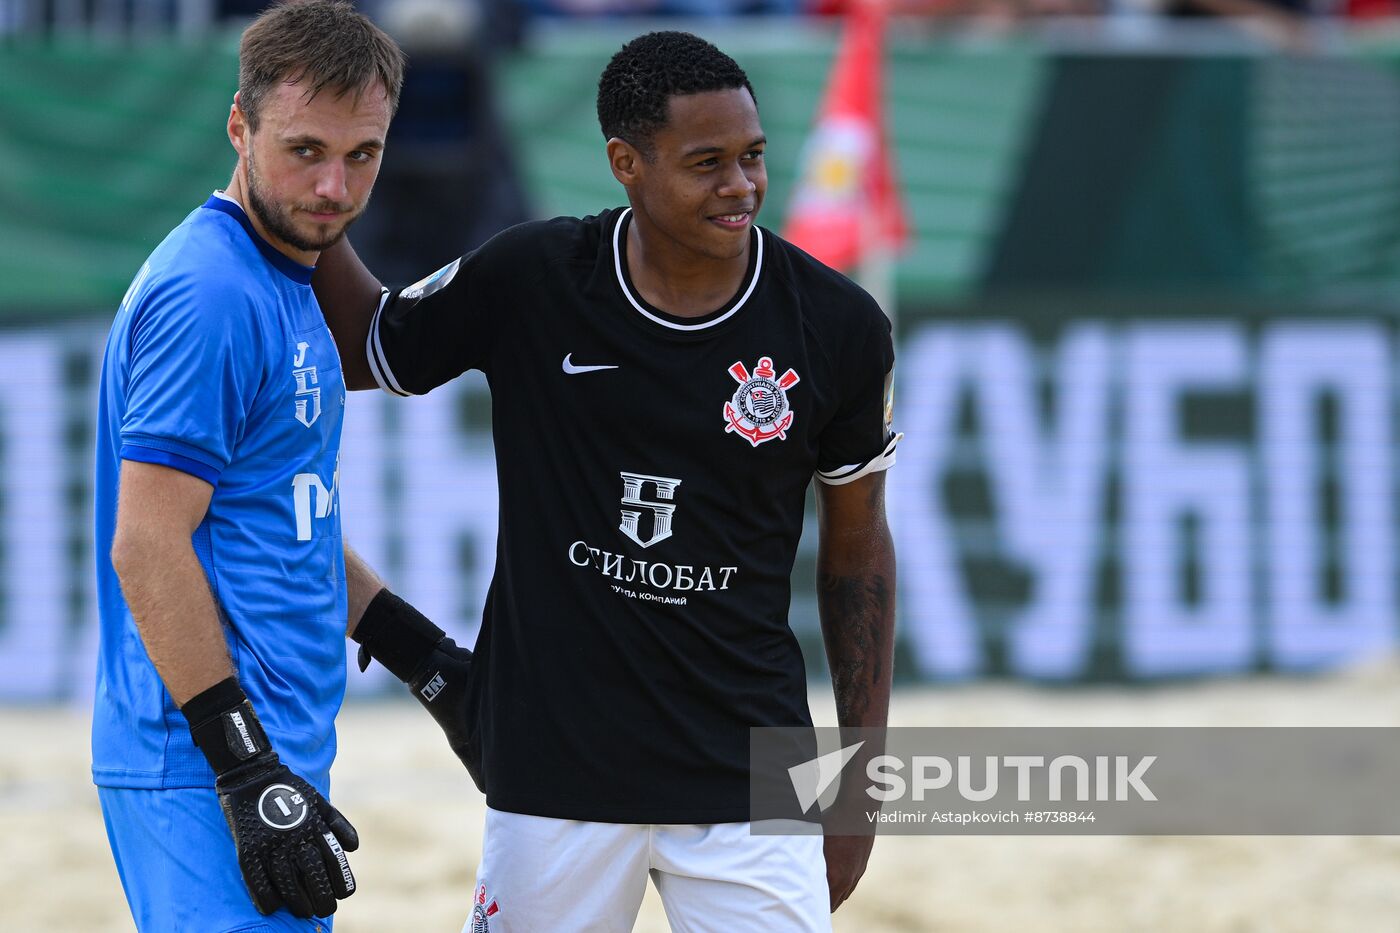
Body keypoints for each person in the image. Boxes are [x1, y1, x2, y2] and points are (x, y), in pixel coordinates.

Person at [317, 30, 899, 931]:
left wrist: (858, 782)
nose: (741, 185)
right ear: (626, 162)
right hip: (557, 768)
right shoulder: (534, 276)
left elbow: (858, 549)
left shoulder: (839, 323)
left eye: (753, 158)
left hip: (753, 767)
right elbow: (365, 343)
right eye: (706, 163)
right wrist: (309, 195)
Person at [92, 2, 410, 929]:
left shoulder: (285, 271)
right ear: (238, 125)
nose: (334, 186)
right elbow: (148, 545)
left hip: (265, 742)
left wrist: (419, 653)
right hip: (203, 757)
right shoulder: (213, 293)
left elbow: (278, 515)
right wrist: (244, 768)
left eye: (363, 155)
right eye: (305, 149)